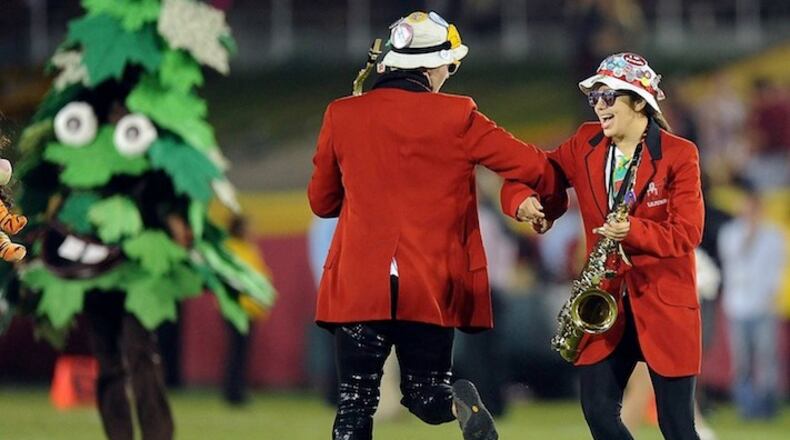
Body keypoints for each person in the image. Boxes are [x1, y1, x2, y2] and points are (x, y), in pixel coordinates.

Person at [308, 10, 553, 440]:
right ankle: (460, 398)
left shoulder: (341, 114)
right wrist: (521, 198)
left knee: (354, 402)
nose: (449, 73)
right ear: (430, 65)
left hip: (360, 280)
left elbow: (322, 202)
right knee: (427, 396)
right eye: (449, 64)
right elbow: (534, 165)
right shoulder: (459, 115)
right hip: (429, 282)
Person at [502, 52, 705, 440]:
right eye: (594, 97)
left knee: (677, 426)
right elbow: (529, 174)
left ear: (638, 101)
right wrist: (522, 200)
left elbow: (687, 233)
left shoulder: (680, 155)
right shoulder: (584, 143)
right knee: (598, 413)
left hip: (664, 304)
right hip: (604, 302)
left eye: (608, 96)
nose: (598, 105)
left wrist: (632, 230)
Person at [718, 181, 785, 419]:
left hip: (764, 305)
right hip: (737, 305)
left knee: (767, 358)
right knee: (742, 360)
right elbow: (734, 261)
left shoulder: (774, 235)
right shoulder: (730, 233)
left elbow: (777, 269)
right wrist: (750, 234)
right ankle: (746, 406)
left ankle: (767, 405)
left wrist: (772, 294)